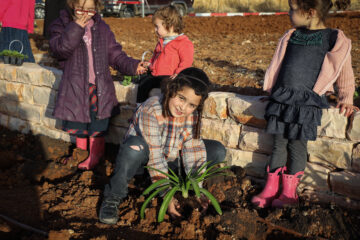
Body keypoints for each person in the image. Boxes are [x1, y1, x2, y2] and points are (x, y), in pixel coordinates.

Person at [252, 0, 357, 208]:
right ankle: (271, 188)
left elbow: (343, 71)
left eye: (292, 9)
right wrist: (273, 93)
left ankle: (289, 193)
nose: (288, 13)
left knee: (297, 146)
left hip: (307, 103)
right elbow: (280, 66)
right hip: (283, 99)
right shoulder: (292, 35)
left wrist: (346, 98)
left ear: (310, 12)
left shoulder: (334, 38)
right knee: (278, 145)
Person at [99, 67, 226, 225]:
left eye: (191, 105)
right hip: (145, 162)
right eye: (181, 98)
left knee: (218, 151)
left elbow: (193, 148)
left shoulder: (191, 115)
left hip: (169, 160)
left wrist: (196, 187)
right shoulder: (151, 108)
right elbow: (155, 155)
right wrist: (166, 195)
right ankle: (113, 197)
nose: (183, 108)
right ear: (173, 88)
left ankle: (171, 184)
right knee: (134, 147)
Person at [49, 0, 147, 170]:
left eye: (91, 10)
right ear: (72, 5)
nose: (86, 14)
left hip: (99, 87)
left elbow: (115, 55)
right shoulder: (61, 25)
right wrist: (76, 27)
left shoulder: (102, 28)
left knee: (98, 122)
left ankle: (96, 154)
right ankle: (80, 152)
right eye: (81, 9)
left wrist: (133, 65)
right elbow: (60, 49)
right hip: (76, 86)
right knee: (78, 121)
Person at [136, 5, 194, 103]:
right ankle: (139, 107)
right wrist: (150, 64)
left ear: (170, 26)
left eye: (157, 26)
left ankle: (164, 109)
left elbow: (186, 61)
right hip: (156, 75)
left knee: (167, 88)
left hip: (170, 76)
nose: (155, 30)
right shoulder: (161, 41)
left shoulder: (183, 43)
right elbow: (155, 57)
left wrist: (178, 73)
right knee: (143, 83)